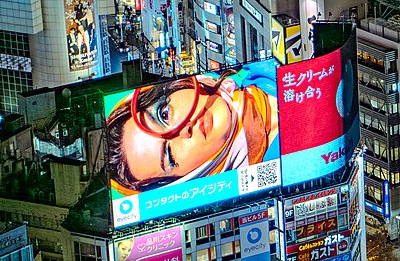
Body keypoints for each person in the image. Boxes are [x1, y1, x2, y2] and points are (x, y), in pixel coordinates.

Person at [106, 63, 278, 194]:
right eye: (170, 157)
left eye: (163, 114)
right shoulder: (283, 177)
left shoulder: (261, 54)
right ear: (188, 179)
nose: (184, 130)